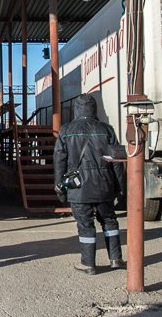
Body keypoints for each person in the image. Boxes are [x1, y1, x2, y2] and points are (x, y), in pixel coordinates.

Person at [53, 94, 125, 274]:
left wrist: (60, 187)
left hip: (79, 188)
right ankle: (115, 259)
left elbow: (59, 161)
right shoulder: (106, 129)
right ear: (94, 109)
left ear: (76, 109)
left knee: (85, 224)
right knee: (110, 221)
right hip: (104, 185)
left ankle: (88, 263)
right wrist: (119, 187)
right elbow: (116, 161)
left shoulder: (66, 130)